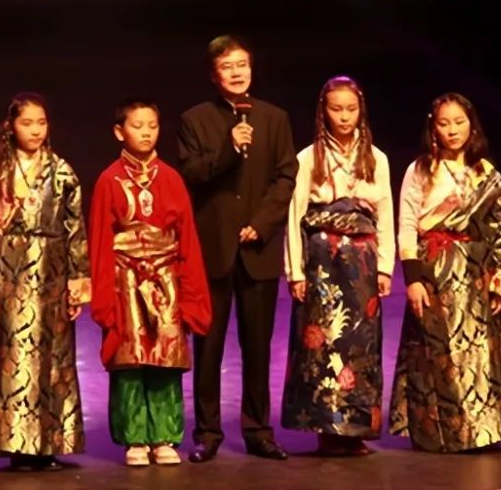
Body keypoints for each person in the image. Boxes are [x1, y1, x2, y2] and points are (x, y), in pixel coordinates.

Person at [177, 35, 297, 462]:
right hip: (214, 248)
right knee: (208, 348)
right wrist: (230, 147)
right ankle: (207, 432)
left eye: (242, 64)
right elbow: (192, 174)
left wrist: (262, 224)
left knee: (258, 347)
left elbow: (285, 176)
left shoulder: (274, 118)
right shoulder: (195, 120)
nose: (237, 72)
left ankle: (258, 430)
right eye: (227, 66)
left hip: (257, 249)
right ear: (214, 75)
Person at [389, 93, 501, 452]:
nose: (452, 130)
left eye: (459, 122)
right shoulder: (421, 170)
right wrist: (412, 279)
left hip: (475, 274)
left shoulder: (485, 173)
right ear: (433, 128)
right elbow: (407, 225)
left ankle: (480, 432)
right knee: (436, 355)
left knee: (478, 356)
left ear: (471, 125)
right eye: (444, 123)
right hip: (433, 273)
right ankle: (441, 433)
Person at [89, 99, 211, 467]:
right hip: (124, 280)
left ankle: (164, 436)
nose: (145, 133)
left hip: (165, 281)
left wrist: (191, 294)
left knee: (164, 359)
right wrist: (103, 296)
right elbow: (100, 241)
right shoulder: (109, 180)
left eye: (152, 126)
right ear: (119, 132)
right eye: (137, 126)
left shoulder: (171, 179)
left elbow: (187, 239)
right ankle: (135, 438)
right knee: (130, 359)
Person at [281, 76, 393, 456]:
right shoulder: (307, 158)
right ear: (323, 112)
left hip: (362, 263)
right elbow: (295, 215)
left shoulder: (376, 158)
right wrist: (295, 271)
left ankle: (356, 429)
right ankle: (326, 426)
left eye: (351, 109)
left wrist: (386, 267)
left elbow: (386, 215)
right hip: (322, 263)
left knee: (361, 344)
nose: (344, 117)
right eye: (336, 109)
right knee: (323, 342)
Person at [0, 93, 90, 471]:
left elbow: (75, 229)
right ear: (11, 126)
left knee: (53, 361)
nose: (35, 130)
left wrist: (77, 283)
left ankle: (49, 442)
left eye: (41, 122)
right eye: (27, 123)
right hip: (11, 278)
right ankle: (14, 444)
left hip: (52, 276)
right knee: (14, 360)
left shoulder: (62, 172)